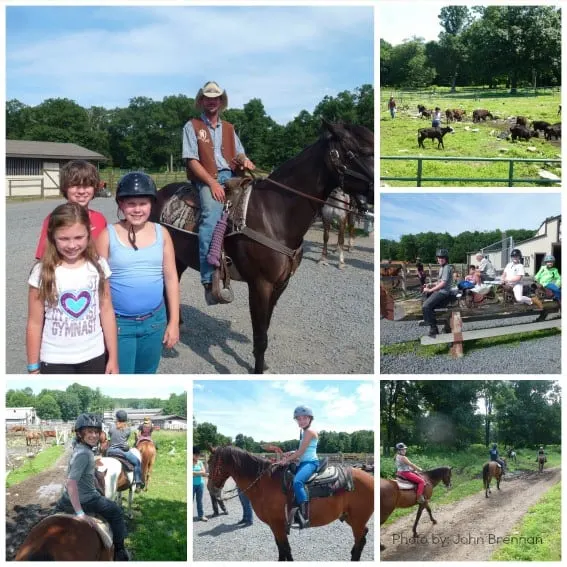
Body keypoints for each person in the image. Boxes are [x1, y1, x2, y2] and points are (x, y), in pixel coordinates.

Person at [96, 172, 180, 374]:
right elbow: (99, 286)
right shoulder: (108, 235)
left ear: (151, 204)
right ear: (121, 205)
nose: (137, 209)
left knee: (147, 374)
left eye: (143, 203)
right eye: (131, 203)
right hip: (119, 324)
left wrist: (174, 321)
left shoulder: (162, 233)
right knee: (121, 374)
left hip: (154, 322)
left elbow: (171, 278)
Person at [182, 80, 256, 305]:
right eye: (207, 97)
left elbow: (239, 153)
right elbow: (192, 160)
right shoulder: (192, 126)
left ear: (221, 101)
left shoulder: (230, 128)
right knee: (210, 218)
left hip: (231, 175)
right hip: (206, 178)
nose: (212, 101)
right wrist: (212, 184)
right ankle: (208, 278)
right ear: (201, 100)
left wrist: (245, 160)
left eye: (216, 97)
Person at [26, 202, 118, 374]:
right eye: (64, 238)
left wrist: (113, 357)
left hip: (94, 355)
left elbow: (106, 311)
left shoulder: (99, 266)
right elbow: (34, 322)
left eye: (78, 237)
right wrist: (33, 367)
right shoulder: (41, 272)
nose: (72, 245)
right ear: (52, 236)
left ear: (89, 234)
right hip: (54, 359)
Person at [55, 413, 130, 561]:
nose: (94, 435)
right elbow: (71, 482)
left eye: (97, 431)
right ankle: (120, 551)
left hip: (65, 500)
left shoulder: (79, 448)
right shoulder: (84, 453)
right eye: (89, 431)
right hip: (87, 499)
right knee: (116, 512)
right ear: (80, 433)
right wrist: (80, 513)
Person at [35, 160, 107, 260]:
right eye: (75, 186)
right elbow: (44, 256)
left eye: (87, 185)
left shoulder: (100, 219)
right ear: (65, 188)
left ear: (94, 188)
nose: (81, 191)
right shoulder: (55, 218)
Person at [279, 405, 319, 529]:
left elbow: (301, 453)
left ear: (310, 419)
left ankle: (305, 516)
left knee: (297, 482)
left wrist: (286, 460)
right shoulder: (304, 433)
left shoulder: (309, 432)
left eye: (304, 418)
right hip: (303, 463)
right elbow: (301, 450)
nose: (301, 421)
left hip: (310, 463)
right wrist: (290, 453)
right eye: (299, 419)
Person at [106, 410, 144, 492]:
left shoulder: (111, 427)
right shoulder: (127, 428)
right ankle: (138, 482)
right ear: (125, 418)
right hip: (122, 451)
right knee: (137, 462)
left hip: (110, 451)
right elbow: (125, 439)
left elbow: (110, 435)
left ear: (117, 418)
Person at [422, 248, 454, 337]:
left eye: (442, 258)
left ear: (446, 258)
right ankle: (429, 319)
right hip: (440, 290)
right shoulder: (442, 268)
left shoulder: (447, 268)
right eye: (439, 257)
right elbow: (439, 282)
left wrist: (430, 290)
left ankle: (433, 328)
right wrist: (430, 284)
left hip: (443, 292)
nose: (440, 259)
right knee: (425, 297)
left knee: (426, 305)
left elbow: (443, 283)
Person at [193, 447, 208, 522]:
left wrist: (195, 473)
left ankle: (201, 515)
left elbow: (204, 472)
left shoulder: (200, 462)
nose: (197, 457)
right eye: (196, 455)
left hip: (200, 484)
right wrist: (200, 473)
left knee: (200, 501)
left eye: (198, 455)